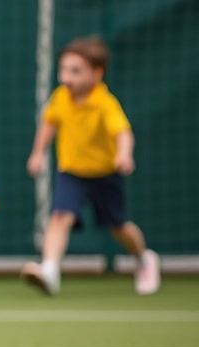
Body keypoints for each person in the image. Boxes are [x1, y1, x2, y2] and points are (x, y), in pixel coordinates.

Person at [22, 36, 159, 296]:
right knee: (60, 216)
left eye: (75, 71)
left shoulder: (105, 103)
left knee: (119, 226)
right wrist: (38, 153)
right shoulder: (60, 97)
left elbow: (123, 133)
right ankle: (50, 271)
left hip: (105, 175)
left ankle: (144, 259)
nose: (66, 77)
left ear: (97, 73)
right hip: (71, 173)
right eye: (63, 70)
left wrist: (124, 154)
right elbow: (49, 123)